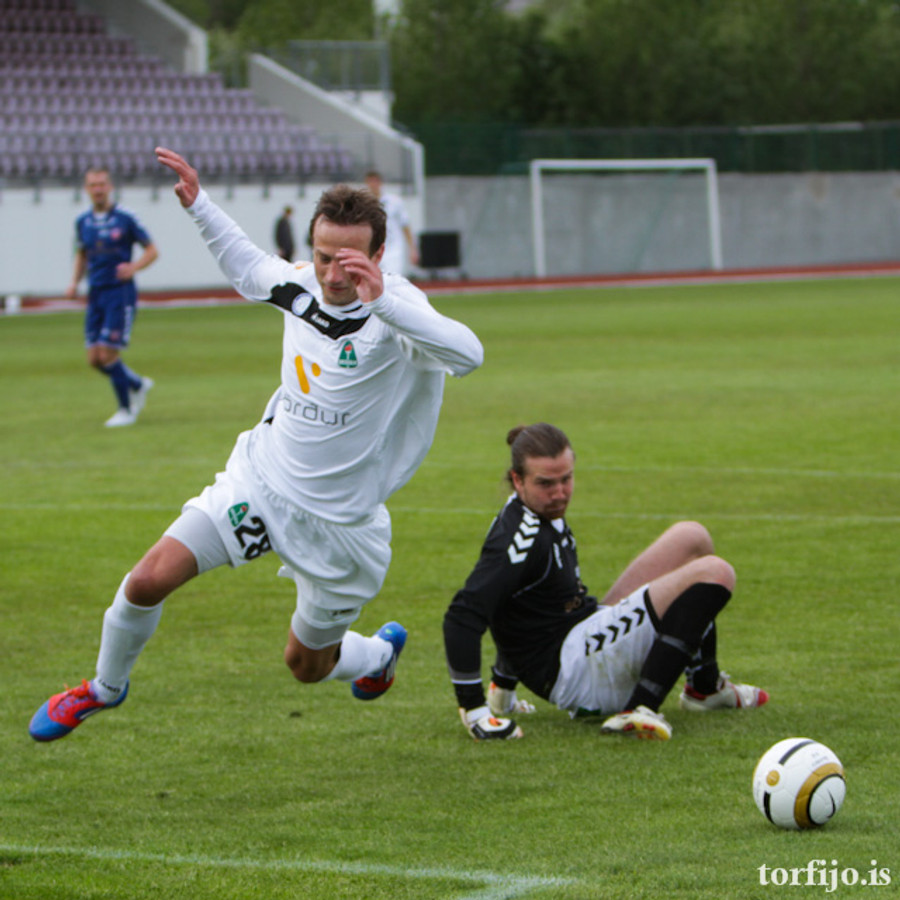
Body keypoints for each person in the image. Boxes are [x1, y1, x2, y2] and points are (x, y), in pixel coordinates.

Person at [28, 147, 483, 743]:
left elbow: (468, 355)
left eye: (349, 261)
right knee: (146, 580)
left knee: (305, 665)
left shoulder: (397, 311)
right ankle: (103, 688)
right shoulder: (300, 285)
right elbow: (247, 264)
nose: (333, 275)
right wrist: (199, 204)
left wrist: (383, 301)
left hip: (340, 528)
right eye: (323, 256)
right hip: (261, 483)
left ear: (377, 255)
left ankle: (376, 656)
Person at [443, 423, 768, 742]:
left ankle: (704, 688)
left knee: (691, 537)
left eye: (566, 479)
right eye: (545, 483)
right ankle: (639, 709)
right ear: (518, 480)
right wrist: (476, 712)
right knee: (716, 572)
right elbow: (463, 615)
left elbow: (522, 603)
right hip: (576, 673)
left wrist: (503, 686)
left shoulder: (538, 511)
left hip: (583, 633)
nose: (559, 493)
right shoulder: (519, 538)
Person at [66, 166, 159, 427]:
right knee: (94, 359)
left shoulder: (125, 218)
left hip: (120, 293)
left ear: (110, 187)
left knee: (108, 354)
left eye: (102, 184)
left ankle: (126, 410)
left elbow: (152, 250)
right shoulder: (83, 222)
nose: (97, 189)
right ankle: (137, 384)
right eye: (92, 185)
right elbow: (82, 254)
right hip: (95, 293)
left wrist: (134, 267)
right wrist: (74, 282)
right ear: (86, 189)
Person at [364, 170, 420, 276]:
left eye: (375, 181)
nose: (373, 185)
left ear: (380, 183)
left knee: (393, 278)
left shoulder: (394, 202)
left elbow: (405, 225)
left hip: (394, 249)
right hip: (374, 249)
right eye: (370, 182)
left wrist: (413, 249)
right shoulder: (364, 204)